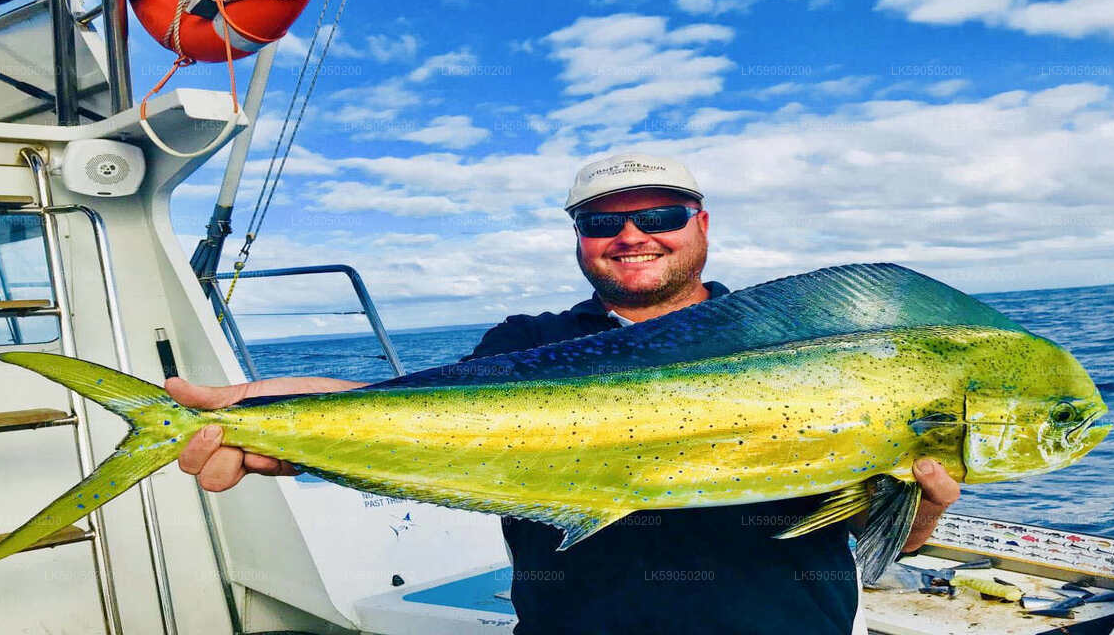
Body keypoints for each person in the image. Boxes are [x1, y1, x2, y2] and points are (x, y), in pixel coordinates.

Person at [169, 154, 961, 634]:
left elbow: (885, 541)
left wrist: (920, 507)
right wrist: (282, 424)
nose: (632, 235)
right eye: (601, 224)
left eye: (660, 214)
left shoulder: (795, 347)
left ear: (702, 224)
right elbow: (419, 413)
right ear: (579, 239)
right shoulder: (527, 343)